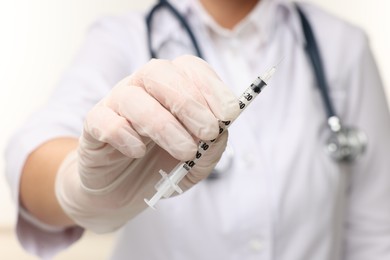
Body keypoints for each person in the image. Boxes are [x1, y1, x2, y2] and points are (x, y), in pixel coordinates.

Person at [5, 0, 390, 259]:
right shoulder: (124, 37)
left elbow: (376, 232)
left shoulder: (343, 46)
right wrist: (80, 191)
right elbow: (35, 150)